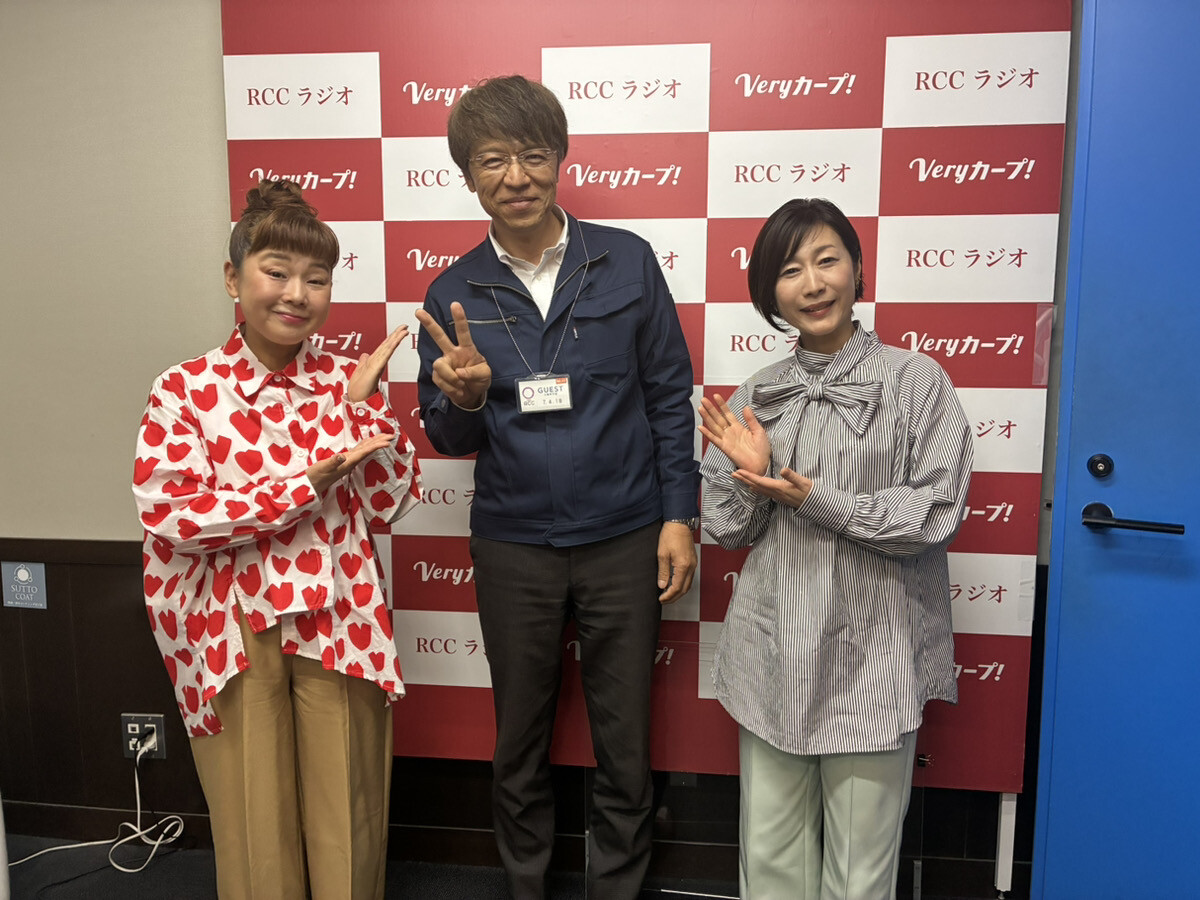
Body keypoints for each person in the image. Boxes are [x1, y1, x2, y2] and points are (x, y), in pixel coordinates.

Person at [414, 75, 700, 900]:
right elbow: (447, 436)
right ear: (467, 175)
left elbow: (668, 399)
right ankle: (525, 886)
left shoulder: (627, 259)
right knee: (519, 739)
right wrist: (467, 399)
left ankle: (618, 887)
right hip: (515, 545)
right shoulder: (452, 291)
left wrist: (679, 517)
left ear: (560, 158)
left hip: (625, 536)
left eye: (533, 155)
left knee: (625, 740)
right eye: (492, 160)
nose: (516, 176)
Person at [132, 180, 421, 900]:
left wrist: (362, 410)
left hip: (340, 614)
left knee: (349, 809)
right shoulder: (185, 388)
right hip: (232, 622)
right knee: (252, 817)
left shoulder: (347, 381)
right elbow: (171, 514)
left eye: (316, 278)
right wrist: (300, 488)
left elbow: (389, 503)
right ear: (234, 278)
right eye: (277, 272)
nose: (297, 294)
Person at [697, 198, 973, 900]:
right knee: (770, 861)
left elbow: (935, 513)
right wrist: (755, 477)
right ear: (769, 291)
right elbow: (727, 529)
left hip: (873, 657)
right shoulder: (758, 393)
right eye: (791, 270)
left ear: (857, 269)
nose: (813, 284)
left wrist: (815, 499)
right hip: (774, 654)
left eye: (827, 261)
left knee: (859, 873)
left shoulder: (916, 381)